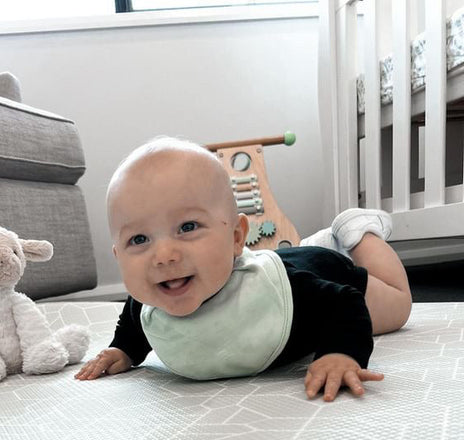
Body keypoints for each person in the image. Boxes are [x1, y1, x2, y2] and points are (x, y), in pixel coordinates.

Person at [75, 137, 412, 401]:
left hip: (321, 271)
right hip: (294, 264)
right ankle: (322, 238)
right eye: (139, 239)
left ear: (236, 237)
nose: (163, 256)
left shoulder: (275, 288)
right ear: (118, 255)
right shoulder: (154, 298)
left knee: (397, 308)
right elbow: (136, 312)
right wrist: (125, 348)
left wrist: (340, 352)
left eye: (188, 227)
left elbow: (344, 302)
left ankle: (358, 231)